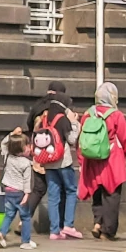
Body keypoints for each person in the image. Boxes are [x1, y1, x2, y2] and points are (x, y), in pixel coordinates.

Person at [76, 81, 126, 241]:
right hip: (111, 159)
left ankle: (97, 222)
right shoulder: (116, 115)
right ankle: (107, 231)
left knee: (97, 191)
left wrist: (81, 160)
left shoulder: (88, 114)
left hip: (92, 160)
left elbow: (81, 139)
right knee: (112, 194)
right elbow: (125, 138)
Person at [30, 84, 81, 239]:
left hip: (48, 161)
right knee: (71, 191)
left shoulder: (45, 118)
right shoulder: (62, 118)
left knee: (53, 195)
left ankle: (54, 231)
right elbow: (71, 140)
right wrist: (75, 124)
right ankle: (68, 226)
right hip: (63, 161)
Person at [0, 131, 37, 249]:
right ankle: (25, 241)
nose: (30, 148)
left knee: (9, 214)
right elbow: (27, 181)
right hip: (19, 192)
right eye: (28, 146)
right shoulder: (26, 163)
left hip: (8, 190)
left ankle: (1, 234)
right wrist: (27, 194)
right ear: (22, 149)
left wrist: (12, 134)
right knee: (25, 217)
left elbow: (3, 144)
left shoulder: (8, 157)